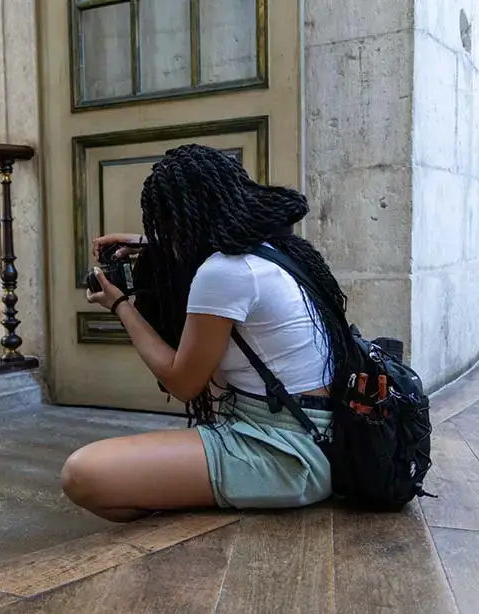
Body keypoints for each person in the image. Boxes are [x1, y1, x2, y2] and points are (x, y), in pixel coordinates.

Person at [61, 144, 353, 522]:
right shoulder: (275, 246)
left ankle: (210, 502)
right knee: (121, 481)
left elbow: (183, 384)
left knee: (82, 475)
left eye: (163, 225)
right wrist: (146, 241)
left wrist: (120, 306)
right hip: (321, 433)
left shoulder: (223, 272)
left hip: (288, 452)